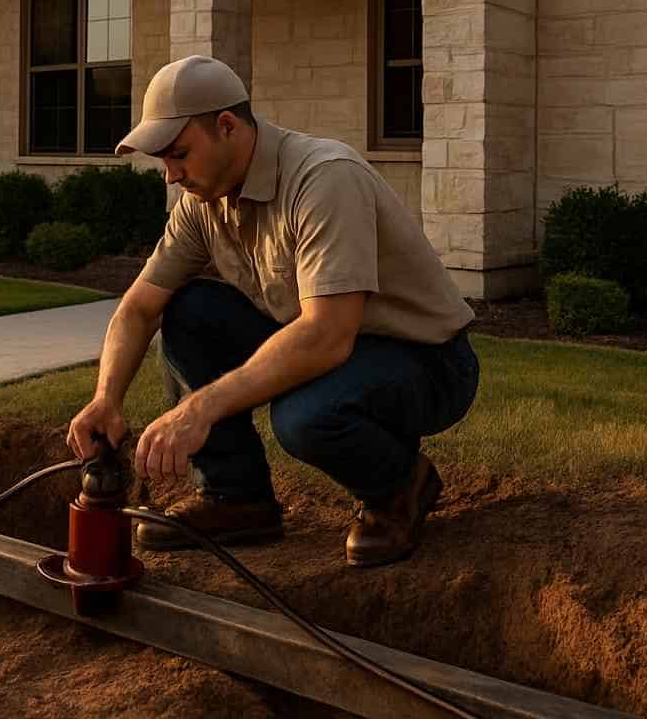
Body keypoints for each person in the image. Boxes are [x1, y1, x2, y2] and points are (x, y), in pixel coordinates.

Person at [67, 55, 478, 567]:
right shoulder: (203, 201)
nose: (171, 175)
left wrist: (199, 408)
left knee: (305, 417)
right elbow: (138, 308)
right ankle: (236, 498)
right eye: (164, 161)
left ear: (227, 127)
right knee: (188, 310)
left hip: (426, 360)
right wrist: (106, 398)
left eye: (179, 155)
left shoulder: (324, 179)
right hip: (334, 342)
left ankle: (400, 487)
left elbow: (327, 336)